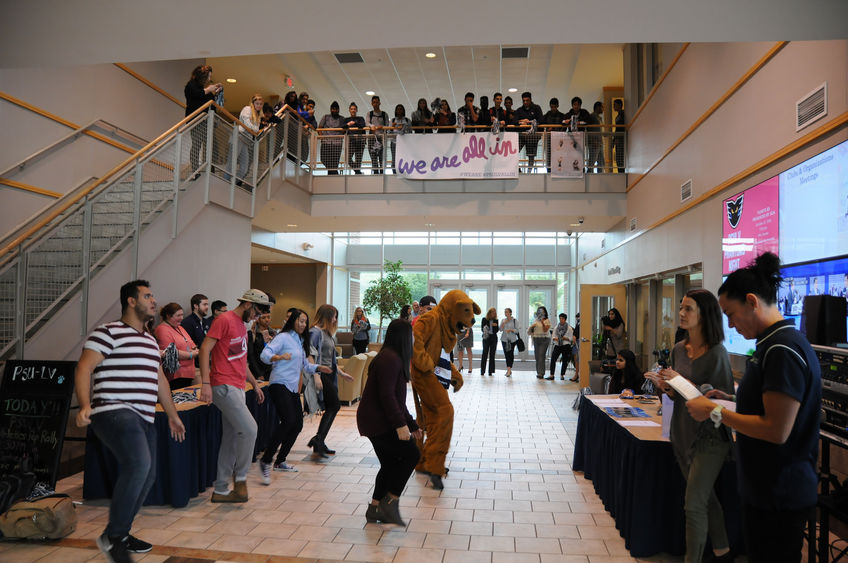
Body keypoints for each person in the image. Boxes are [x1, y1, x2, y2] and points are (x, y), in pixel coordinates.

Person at [686, 253, 822, 563]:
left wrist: (714, 411)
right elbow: (766, 405)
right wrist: (729, 399)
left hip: (780, 492)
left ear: (751, 301)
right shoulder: (770, 344)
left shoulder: (783, 349)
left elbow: (776, 429)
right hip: (764, 488)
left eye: (731, 314)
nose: (730, 325)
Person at [75, 280, 186, 562]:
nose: (154, 301)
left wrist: (172, 416)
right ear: (131, 301)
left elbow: (159, 379)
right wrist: (86, 404)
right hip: (113, 410)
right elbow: (85, 366)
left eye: (153, 295)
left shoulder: (150, 340)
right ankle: (115, 538)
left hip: (144, 416)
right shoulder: (108, 332)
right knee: (138, 465)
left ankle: (118, 533)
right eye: (148, 296)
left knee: (147, 474)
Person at [650, 289, 734, 563]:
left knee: (694, 504)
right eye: (681, 308)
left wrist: (680, 381)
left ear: (704, 315)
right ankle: (722, 549)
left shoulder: (717, 353)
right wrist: (667, 386)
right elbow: (680, 395)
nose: (682, 314)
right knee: (704, 496)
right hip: (682, 431)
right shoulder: (677, 349)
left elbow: (715, 402)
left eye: (689, 309)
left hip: (709, 438)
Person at [199, 289, 269, 503]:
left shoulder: (241, 325)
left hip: (237, 385)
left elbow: (241, 359)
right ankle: (240, 479)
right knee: (250, 430)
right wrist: (205, 383)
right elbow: (204, 349)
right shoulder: (224, 320)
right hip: (223, 384)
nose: (257, 317)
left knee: (230, 439)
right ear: (248, 304)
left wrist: (254, 384)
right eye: (257, 312)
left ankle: (220, 490)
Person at [357, 319, 422, 525]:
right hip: (378, 422)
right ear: (403, 337)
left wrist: (411, 424)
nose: (413, 338)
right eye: (411, 334)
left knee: (389, 463)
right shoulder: (390, 359)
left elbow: (397, 400)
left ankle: (375, 508)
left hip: (377, 419)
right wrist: (400, 426)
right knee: (412, 454)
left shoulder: (392, 358)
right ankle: (389, 502)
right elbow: (387, 397)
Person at [258, 309, 332, 481]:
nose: (303, 324)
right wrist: (278, 357)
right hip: (279, 384)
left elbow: (304, 365)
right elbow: (264, 355)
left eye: (305, 321)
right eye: (300, 320)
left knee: (297, 424)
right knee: (289, 421)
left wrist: (318, 368)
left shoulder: (300, 340)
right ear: (292, 320)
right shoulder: (283, 337)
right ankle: (266, 460)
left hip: (292, 387)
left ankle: (280, 461)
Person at [307, 304, 354, 456]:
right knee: (334, 406)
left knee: (332, 406)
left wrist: (341, 373)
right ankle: (318, 439)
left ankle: (319, 440)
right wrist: (316, 375)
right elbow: (310, 355)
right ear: (326, 316)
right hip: (321, 374)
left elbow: (330, 359)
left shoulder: (327, 333)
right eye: (334, 316)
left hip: (329, 374)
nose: (335, 319)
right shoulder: (315, 332)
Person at [184, 65, 222, 177]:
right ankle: (196, 172)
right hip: (196, 121)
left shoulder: (207, 91)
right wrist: (208, 90)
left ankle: (212, 170)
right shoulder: (191, 86)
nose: (210, 79)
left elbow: (213, 106)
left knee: (214, 146)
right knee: (197, 144)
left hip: (208, 122)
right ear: (202, 76)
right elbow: (196, 94)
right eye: (208, 76)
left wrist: (216, 92)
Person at [154, 302, 199, 389]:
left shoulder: (179, 327)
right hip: (176, 376)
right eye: (178, 315)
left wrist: (195, 350)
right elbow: (170, 352)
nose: (181, 318)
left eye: (182, 315)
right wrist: (190, 354)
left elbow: (192, 343)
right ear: (168, 316)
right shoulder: (162, 329)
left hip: (188, 373)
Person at [234, 94, 263, 184]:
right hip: (240, 137)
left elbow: (254, 128)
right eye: (257, 103)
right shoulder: (247, 109)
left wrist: (257, 130)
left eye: (261, 104)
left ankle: (236, 182)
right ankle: (230, 182)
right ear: (253, 103)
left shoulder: (258, 114)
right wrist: (257, 129)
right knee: (234, 163)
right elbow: (248, 125)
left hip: (247, 140)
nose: (259, 105)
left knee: (244, 166)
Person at [514, 92, 544, 172]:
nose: (525, 102)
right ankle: (518, 169)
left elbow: (541, 120)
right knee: (514, 151)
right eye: (523, 101)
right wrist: (522, 121)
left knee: (531, 155)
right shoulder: (519, 110)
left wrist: (529, 122)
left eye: (527, 100)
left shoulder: (537, 108)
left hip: (532, 136)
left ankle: (529, 172)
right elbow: (514, 121)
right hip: (522, 135)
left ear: (531, 100)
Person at [247, 308, 275, 382]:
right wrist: (259, 374)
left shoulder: (273, 333)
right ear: (258, 319)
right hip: (256, 371)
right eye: (263, 317)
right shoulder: (252, 333)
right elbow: (250, 355)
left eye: (268, 317)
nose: (267, 320)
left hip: (271, 371)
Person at [318, 101, 345, 174]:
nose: (335, 110)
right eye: (333, 109)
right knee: (323, 159)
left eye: (336, 109)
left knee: (334, 162)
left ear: (338, 110)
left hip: (337, 143)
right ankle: (335, 173)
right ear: (330, 109)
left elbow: (344, 131)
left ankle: (333, 177)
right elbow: (320, 127)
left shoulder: (342, 118)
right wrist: (321, 137)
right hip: (326, 142)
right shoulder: (326, 117)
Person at [366, 95, 389, 174]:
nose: (375, 104)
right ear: (372, 103)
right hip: (372, 139)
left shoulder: (384, 114)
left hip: (381, 139)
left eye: (377, 102)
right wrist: (372, 126)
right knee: (374, 159)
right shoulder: (370, 113)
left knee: (381, 158)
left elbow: (387, 126)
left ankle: (382, 174)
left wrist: (381, 127)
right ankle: (375, 174)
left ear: (380, 103)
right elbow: (367, 123)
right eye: (374, 102)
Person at [543, 98, 567, 172]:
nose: (553, 108)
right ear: (550, 106)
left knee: (559, 155)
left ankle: (559, 170)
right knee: (549, 155)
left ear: (557, 106)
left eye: (554, 107)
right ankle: (549, 170)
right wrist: (547, 129)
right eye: (552, 107)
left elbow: (564, 128)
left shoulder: (562, 116)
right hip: (549, 139)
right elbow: (543, 125)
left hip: (559, 140)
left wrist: (558, 132)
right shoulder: (546, 115)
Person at [528, 306, 552, 379]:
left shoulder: (547, 320)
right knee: (537, 356)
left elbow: (545, 330)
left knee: (541, 355)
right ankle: (538, 372)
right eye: (539, 311)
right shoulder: (535, 320)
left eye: (542, 311)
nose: (540, 313)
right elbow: (531, 330)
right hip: (536, 338)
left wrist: (542, 322)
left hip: (544, 339)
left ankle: (541, 373)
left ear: (545, 312)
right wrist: (532, 327)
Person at [549, 313, 573, 380]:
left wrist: (565, 338)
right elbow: (553, 337)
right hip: (557, 345)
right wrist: (558, 339)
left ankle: (562, 375)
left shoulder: (569, 328)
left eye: (562, 318)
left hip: (565, 345)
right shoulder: (556, 327)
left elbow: (571, 338)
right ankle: (552, 374)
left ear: (565, 319)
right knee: (553, 359)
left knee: (565, 360)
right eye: (560, 318)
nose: (561, 320)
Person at [344, 102, 366, 174]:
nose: (353, 110)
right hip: (351, 141)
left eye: (354, 109)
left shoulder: (360, 118)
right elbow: (342, 127)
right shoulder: (346, 119)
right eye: (351, 109)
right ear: (349, 110)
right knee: (347, 158)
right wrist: (348, 124)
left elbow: (362, 125)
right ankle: (357, 171)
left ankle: (357, 173)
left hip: (360, 141)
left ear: (356, 110)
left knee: (358, 160)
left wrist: (354, 123)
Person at [390, 104, 410, 173]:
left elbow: (410, 132)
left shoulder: (407, 120)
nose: (399, 110)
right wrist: (392, 127)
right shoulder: (392, 120)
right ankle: (394, 172)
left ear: (403, 110)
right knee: (394, 158)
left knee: (404, 158)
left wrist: (404, 128)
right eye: (398, 109)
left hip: (405, 143)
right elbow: (388, 133)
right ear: (395, 111)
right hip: (394, 142)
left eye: (401, 109)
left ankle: (404, 172)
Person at [500, 308, 519, 377]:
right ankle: (508, 370)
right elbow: (500, 329)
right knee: (506, 355)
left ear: (510, 313)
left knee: (510, 354)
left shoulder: (515, 321)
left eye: (507, 312)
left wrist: (511, 330)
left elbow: (517, 331)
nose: (506, 313)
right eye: (505, 312)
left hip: (512, 340)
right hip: (504, 339)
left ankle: (509, 368)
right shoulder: (503, 320)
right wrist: (503, 323)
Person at [480, 307, 499, 376]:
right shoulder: (484, 319)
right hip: (486, 338)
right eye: (492, 312)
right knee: (484, 353)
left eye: (495, 313)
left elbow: (496, 330)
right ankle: (482, 371)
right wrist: (490, 324)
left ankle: (490, 371)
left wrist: (495, 326)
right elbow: (482, 328)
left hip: (493, 338)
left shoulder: (496, 320)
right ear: (489, 313)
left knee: (492, 354)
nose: (494, 314)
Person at [588, 101, 605, 172]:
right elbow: (589, 129)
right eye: (602, 107)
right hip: (594, 143)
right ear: (598, 107)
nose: (603, 109)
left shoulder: (600, 118)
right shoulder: (592, 116)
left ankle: (599, 177)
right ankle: (589, 176)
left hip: (600, 142)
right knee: (592, 161)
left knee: (601, 162)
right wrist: (592, 141)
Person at [613, 98, 625, 172]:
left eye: (615, 105)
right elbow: (617, 128)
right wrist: (614, 139)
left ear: (619, 105)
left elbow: (620, 127)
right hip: (618, 138)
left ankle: (621, 171)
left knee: (620, 157)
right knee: (618, 157)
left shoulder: (623, 114)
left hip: (621, 139)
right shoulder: (618, 115)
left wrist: (616, 138)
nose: (613, 106)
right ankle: (619, 171)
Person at [569, 312, 582, 381]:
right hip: (576, 342)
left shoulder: (582, 323)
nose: (577, 319)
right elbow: (577, 331)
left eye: (578, 317)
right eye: (577, 318)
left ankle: (578, 375)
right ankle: (577, 374)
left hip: (579, 342)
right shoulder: (578, 323)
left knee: (578, 359)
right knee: (576, 359)